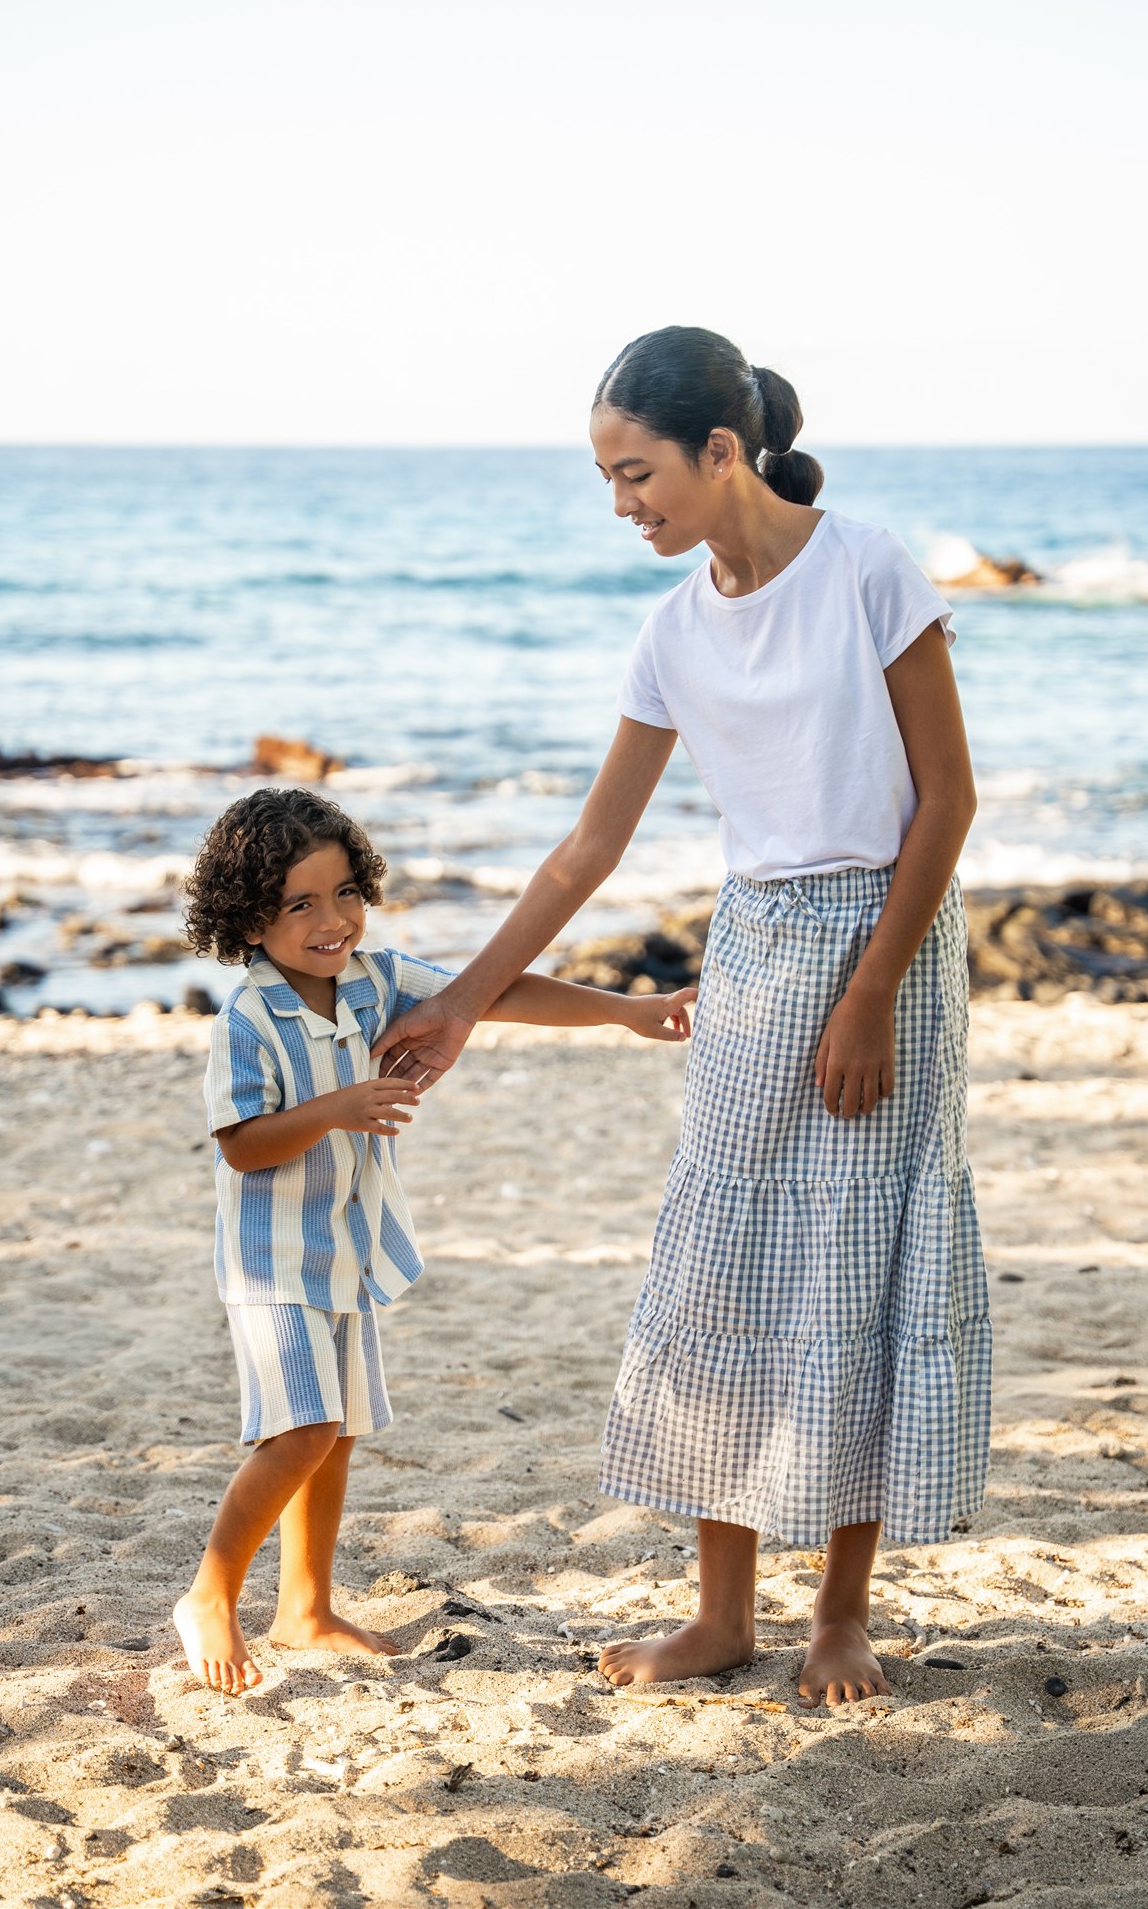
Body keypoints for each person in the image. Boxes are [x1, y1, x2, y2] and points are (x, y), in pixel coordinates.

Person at [373, 325, 991, 1707]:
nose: (621, 505)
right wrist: (465, 1005)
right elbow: (585, 853)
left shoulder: (869, 570)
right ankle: (720, 1615)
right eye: (606, 478)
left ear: (723, 452)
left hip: (889, 942)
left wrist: (875, 994)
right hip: (756, 950)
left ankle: (839, 1614)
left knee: (854, 1276)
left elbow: (945, 800)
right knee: (720, 1271)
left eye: (636, 472)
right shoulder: (669, 631)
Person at [172, 786, 696, 1696]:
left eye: (345, 893)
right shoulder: (248, 1022)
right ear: (248, 918)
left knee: (334, 1436)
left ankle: (305, 1604)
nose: (333, 921)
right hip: (271, 1264)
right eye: (301, 904)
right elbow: (241, 1147)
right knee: (300, 1431)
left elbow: (490, 994)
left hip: (347, 1247)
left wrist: (621, 1010)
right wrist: (335, 1108)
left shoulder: (373, 982)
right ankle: (209, 1592)